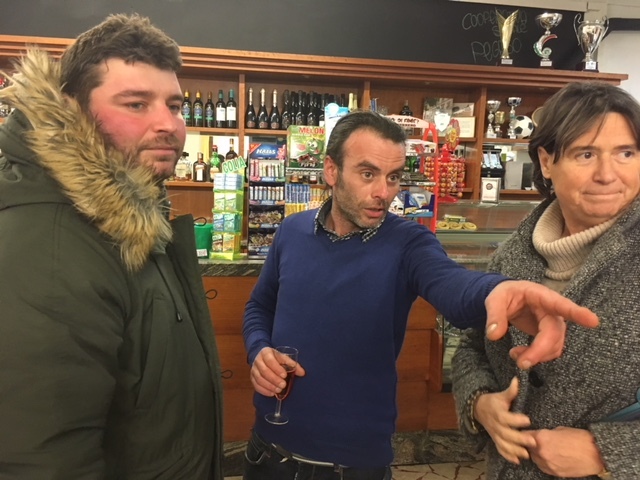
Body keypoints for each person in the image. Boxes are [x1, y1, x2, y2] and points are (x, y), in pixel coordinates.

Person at [242, 110, 598, 480]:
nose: (383, 193)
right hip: (268, 450)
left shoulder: (409, 243)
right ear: (332, 170)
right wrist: (258, 350)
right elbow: (260, 305)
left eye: (393, 177)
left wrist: (499, 290)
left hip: (352, 465)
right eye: (368, 174)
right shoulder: (292, 231)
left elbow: (452, 286)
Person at [0, 14, 224, 479]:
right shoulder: (52, 242)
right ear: (72, 109)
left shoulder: (130, 214)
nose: (167, 124)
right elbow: (43, 458)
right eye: (136, 104)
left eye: (175, 105)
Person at [452, 81, 640, 479]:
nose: (608, 174)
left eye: (626, 153)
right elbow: (473, 346)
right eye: (586, 154)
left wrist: (606, 452)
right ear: (546, 160)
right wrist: (480, 403)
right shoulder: (513, 253)